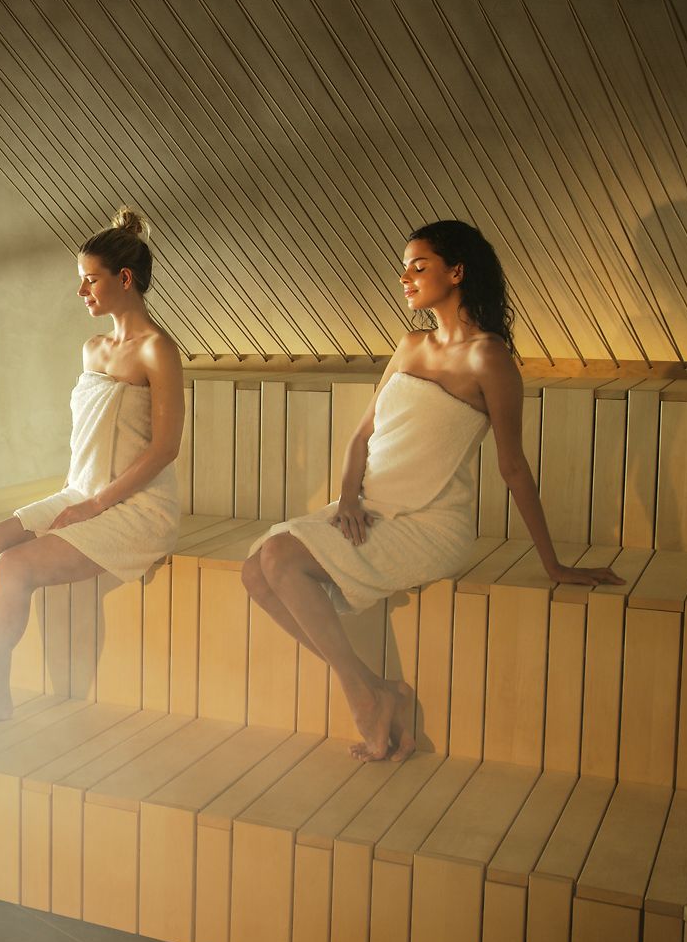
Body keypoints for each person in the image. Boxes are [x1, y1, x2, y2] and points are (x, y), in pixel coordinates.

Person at [243, 219, 622, 763]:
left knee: (278, 556)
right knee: (255, 571)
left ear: (457, 271)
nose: (406, 277)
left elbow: (513, 468)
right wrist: (348, 499)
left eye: (419, 266)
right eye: (405, 267)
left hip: (428, 525)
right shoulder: (411, 345)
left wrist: (555, 565)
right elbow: (361, 434)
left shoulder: (489, 360)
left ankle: (364, 698)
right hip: (368, 508)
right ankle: (377, 688)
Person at [0, 208, 183, 745]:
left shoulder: (157, 350)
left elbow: (165, 448)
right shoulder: (93, 349)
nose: (81, 291)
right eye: (80, 280)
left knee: (16, 566)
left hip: (136, 507)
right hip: (81, 490)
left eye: (90, 279)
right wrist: (81, 500)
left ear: (123, 279)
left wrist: (94, 508)